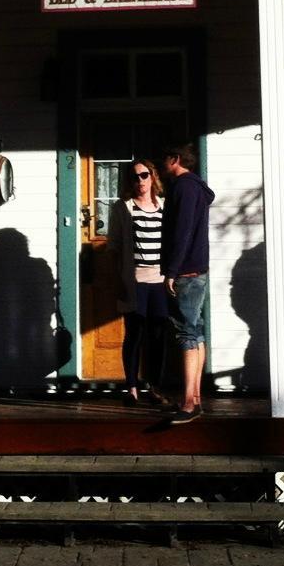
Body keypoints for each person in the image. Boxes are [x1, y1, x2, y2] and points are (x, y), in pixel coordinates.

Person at [107, 158, 169, 407]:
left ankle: (154, 387)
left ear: (152, 177)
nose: (140, 181)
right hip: (135, 281)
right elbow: (114, 247)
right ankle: (131, 388)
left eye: (144, 175)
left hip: (161, 280)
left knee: (159, 334)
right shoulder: (123, 208)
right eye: (135, 177)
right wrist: (118, 280)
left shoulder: (165, 206)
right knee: (135, 333)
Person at [161, 142, 214, 424]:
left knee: (186, 334)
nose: (161, 164)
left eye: (164, 158)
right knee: (196, 331)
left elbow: (181, 233)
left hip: (186, 271)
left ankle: (189, 402)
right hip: (198, 269)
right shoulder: (197, 187)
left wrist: (171, 270)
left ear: (176, 158)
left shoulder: (183, 187)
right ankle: (195, 397)